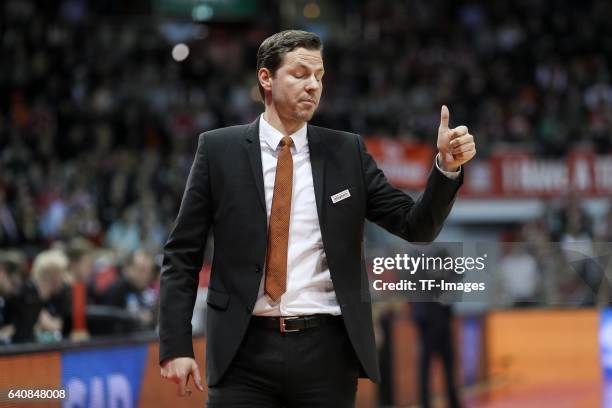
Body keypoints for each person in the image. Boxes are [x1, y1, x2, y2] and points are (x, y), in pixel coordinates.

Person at [159, 30, 476, 407]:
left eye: (319, 76)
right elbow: (182, 256)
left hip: (327, 353)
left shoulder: (347, 151)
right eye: (300, 74)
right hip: (241, 353)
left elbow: (416, 226)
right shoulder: (217, 150)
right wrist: (176, 345)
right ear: (266, 78)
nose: (313, 85)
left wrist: (446, 168)